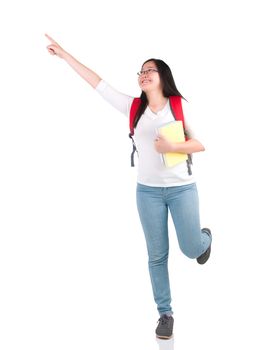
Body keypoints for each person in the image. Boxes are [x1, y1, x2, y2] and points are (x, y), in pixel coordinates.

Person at [45, 34, 212, 340]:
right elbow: (97, 83)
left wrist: (173, 145)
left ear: (163, 77)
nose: (144, 73)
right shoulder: (133, 107)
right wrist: (64, 54)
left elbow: (200, 144)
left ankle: (204, 240)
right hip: (147, 193)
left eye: (150, 70)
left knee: (190, 249)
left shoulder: (179, 106)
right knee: (157, 255)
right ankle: (165, 313)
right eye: (141, 71)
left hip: (182, 189)